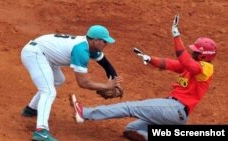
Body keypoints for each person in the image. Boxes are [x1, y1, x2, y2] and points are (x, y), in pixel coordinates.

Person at [70, 15, 217, 141]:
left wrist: (176, 37)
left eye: (196, 52)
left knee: (129, 107)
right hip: (175, 115)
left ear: (204, 55)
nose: (193, 53)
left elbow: (185, 60)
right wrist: (149, 58)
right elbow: (171, 64)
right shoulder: (192, 65)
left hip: (174, 109)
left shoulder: (205, 68)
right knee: (131, 130)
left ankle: (85, 113)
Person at [20, 25, 122, 141]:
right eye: (104, 41)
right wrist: (105, 86)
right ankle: (41, 131)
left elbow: (106, 65)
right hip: (34, 54)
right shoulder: (81, 50)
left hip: (45, 55)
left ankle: (31, 109)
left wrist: (116, 83)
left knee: (58, 80)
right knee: (48, 91)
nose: (106, 44)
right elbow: (83, 82)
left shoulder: (90, 47)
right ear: (96, 40)